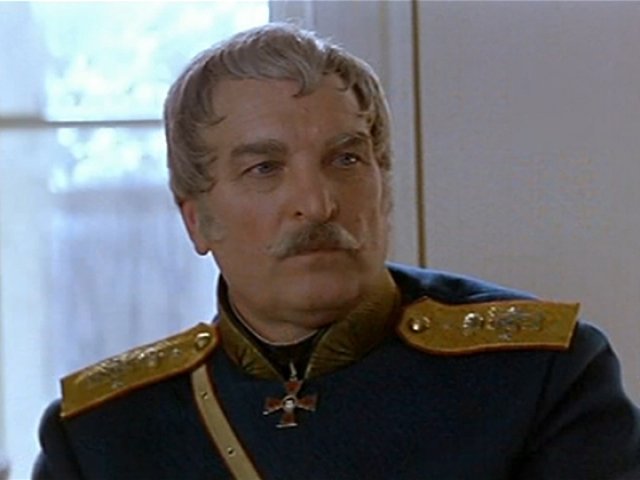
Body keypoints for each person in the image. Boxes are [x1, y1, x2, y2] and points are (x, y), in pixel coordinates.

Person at [33, 23, 640, 480]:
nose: (318, 203)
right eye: (265, 168)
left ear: (383, 186)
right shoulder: (100, 436)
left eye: (346, 159)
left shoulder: (538, 376)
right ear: (197, 221)